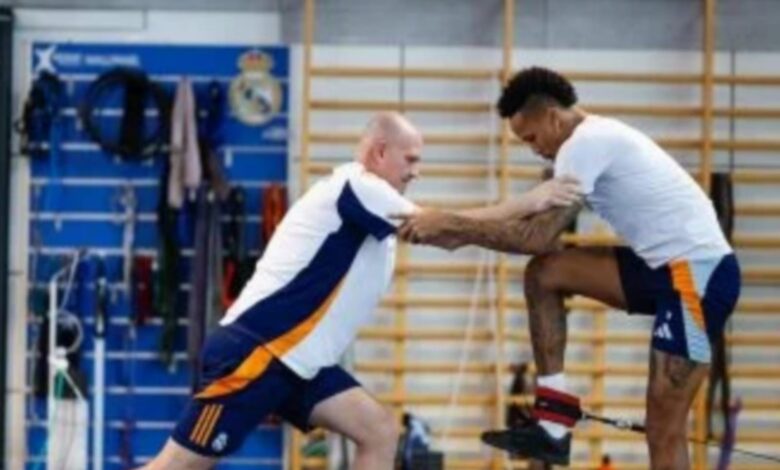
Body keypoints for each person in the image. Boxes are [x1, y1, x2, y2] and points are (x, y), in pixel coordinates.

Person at [139, 111, 582, 470]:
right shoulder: (359, 188)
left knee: (378, 431)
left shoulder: (374, 204)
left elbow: (448, 235)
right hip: (258, 353)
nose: (417, 172)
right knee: (177, 466)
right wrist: (534, 200)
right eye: (410, 160)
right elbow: (445, 228)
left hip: (299, 365)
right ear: (380, 152)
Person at [395, 67, 741, 469]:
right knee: (546, 273)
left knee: (664, 428)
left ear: (553, 118)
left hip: (699, 277)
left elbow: (535, 237)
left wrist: (455, 227)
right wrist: (448, 224)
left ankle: (557, 426)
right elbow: (523, 211)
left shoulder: (586, 143)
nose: (534, 150)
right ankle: (553, 423)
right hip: (660, 269)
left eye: (531, 138)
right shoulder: (586, 142)